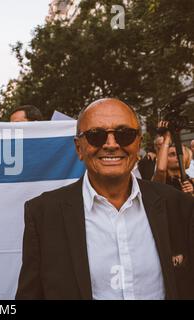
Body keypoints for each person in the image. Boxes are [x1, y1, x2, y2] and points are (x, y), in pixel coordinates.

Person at [16, 98, 193, 300]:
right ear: (78, 148)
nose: (111, 144)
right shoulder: (44, 214)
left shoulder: (178, 205)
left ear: (138, 143)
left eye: (124, 134)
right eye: (96, 135)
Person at [152, 122, 193, 195]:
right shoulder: (163, 180)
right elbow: (161, 169)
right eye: (172, 154)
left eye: (180, 154)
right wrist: (167, 137)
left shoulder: (191, 180)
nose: (178, 156)